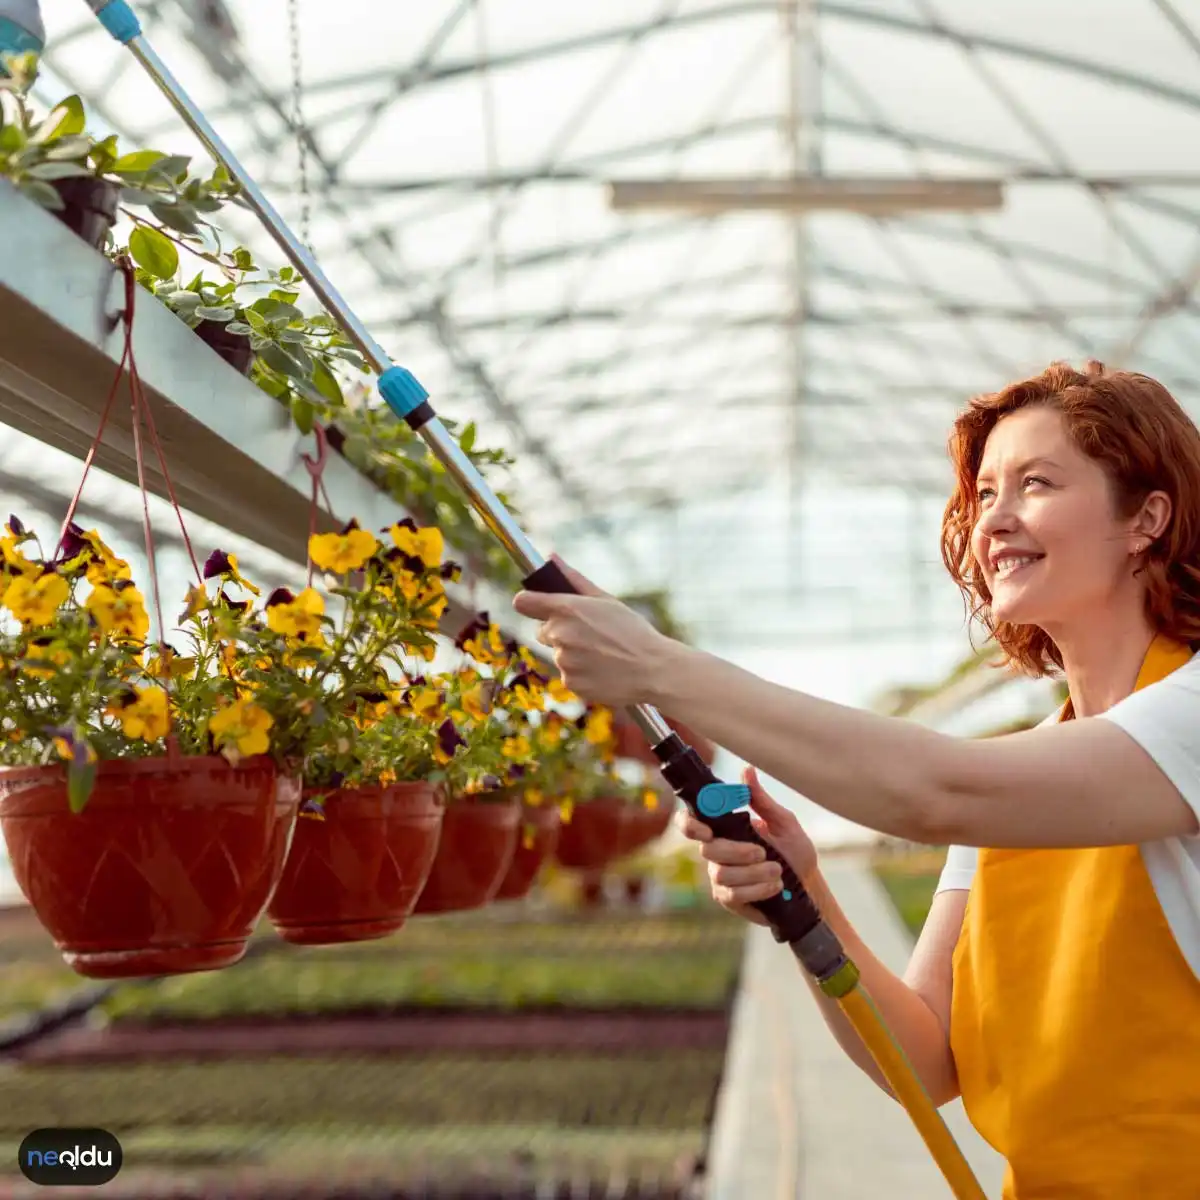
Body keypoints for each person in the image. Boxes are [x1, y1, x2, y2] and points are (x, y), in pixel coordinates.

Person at [513, 360, 1200, 1198]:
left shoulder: (1184, 716)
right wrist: (808, 895)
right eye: (984, 495)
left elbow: (931, 790)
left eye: (1036, 484)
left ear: (1147, 518)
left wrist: (657, 666)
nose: (996, 520)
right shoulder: (1019, 782)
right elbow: (926, 1055)